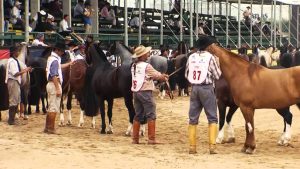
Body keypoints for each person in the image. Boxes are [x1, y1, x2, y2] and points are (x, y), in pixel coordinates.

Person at [186, 37, 222, 154]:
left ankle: (192, 147)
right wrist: (218, 63)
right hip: (207, 88)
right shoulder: (210, 57)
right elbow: (217, 75)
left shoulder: (191, 57)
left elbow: (187, 74)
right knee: (212, 117)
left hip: (194, 88)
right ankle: (212, 146)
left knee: (193, 118)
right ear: (207, 46)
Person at [131, 45, 169, 144]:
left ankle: (135, 139)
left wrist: (160, 76)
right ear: (142, 55)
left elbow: (148, 76)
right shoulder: (146, 66)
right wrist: (163, 77)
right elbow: (157, 76)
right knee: (151, 113)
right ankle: (151, 139)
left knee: (138, 114)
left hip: (136, 92)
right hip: (145, 92)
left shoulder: (134, 65)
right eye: (146, 53)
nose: (148, 54)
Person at [44, 42, 72, 134]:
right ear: (57, 50)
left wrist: (68, 64)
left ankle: (47, 127)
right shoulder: (55, 60)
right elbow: (54, 75)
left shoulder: (51, 59)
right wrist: (58, 88)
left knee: (50, 106)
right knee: (54, 107)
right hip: (54, 84)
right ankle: (51, 128)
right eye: (61, 51)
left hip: (50, 84)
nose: (62, 53)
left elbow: (59, 68)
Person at [5, 45, 32, 125]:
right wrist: (25, 70)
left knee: (16, 100)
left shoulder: (14, 60)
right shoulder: (12, 61)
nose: (18, 53)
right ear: (13, 53)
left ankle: (13, 119)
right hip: (13, 81)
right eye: (17, 51)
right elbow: (16, 73)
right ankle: (11, 120)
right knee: (13, 100)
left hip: (15, 81)